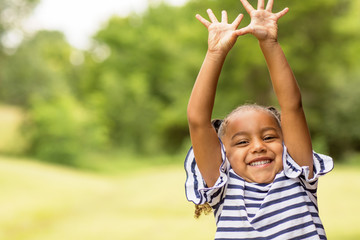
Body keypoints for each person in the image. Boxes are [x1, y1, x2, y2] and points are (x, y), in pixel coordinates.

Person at [184, 0, 334, 239]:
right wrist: (215, 53)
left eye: (269, 137)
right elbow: (198, 121)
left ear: (285, 142)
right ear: (224, 154)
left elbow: (292, 106)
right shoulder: (223, 186)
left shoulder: (296, 172)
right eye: (242, 142)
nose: (258, 147)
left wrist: (268, 42)